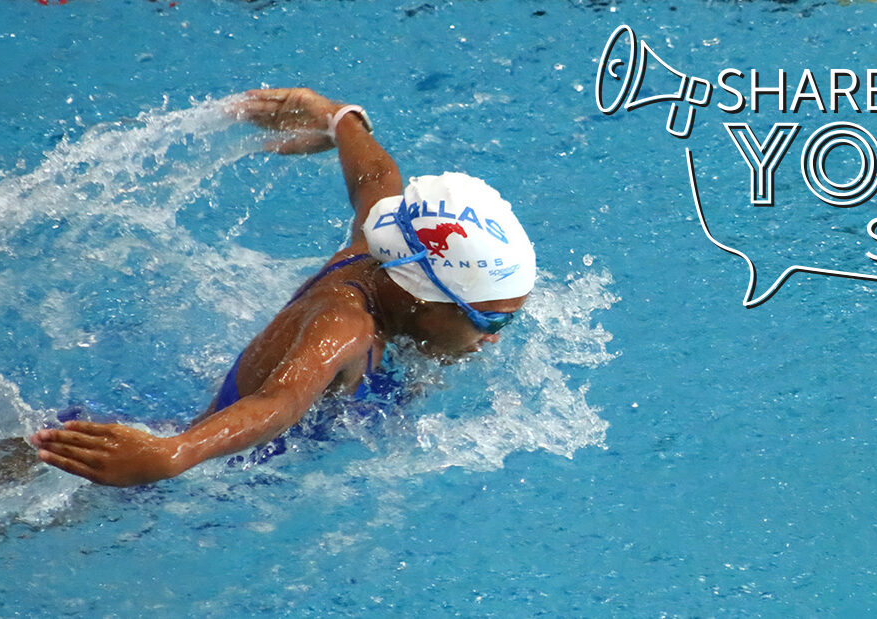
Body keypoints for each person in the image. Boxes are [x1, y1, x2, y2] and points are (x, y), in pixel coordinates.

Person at [27, 87, 537, 487]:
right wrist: (172, 453)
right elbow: (280, 403)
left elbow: (376, 178)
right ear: (420, 296)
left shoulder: (385, 248)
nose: (494, 338)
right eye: (489, 319)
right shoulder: (345, 326)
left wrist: (337, 117)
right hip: (168, 471)